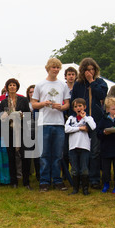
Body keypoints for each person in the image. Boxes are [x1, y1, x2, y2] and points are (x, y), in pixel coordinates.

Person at [31, 58, 70, 192]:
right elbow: (34, 103)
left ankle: (57, 180)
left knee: (58, 154)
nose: (56, 70)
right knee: (44, 154)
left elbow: (67, 104)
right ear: (48, 68)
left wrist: (62, 107)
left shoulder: (63, 85)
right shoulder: (40, 85)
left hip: (59, 123)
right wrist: (43, 103)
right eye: (53, 67)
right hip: (44, 123)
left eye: (58, 68)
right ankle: (44, 181)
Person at [70, 58, 108, 189]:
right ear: (83, 71)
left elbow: (102, 95)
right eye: (87, 70)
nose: (90, 72)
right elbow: (73, 103)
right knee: (81, 151)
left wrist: (92, 82)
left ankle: (94, 179)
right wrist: (77, 121)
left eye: (92, 69)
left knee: (95, 152)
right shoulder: (78, 84)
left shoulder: (100, 82)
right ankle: (81, 179)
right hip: (81, 124)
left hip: (95, 122)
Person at [0, 78, 32, 189]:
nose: (12, 87)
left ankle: (26, 182)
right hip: (9, 131)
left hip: (22, 130)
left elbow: (29, 116)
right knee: (11, 156)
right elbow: (0, 117)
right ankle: (13, 181)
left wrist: (22, 116)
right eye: (10, 85)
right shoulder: (3, 102)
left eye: (14, 85)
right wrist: (4, 116)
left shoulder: (23, 100)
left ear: (17, 87)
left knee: (25, 157)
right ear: (7, 87)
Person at [65, 98, 96, 195]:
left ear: (84, 107)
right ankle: (75, 189)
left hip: (84, 146)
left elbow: (93, 127)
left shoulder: (89, 118)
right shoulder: (70, 118)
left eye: (80, 106)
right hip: (73, 147)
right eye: (75, 106)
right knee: (74, 169)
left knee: (84, 169)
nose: (78, 108)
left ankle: (85, 189)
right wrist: (80, 128)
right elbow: (66, 129)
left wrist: (85, 117)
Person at [25, 84, 40, 182]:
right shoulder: (25, 103)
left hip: (38, 129)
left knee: (38, 154)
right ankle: (27, 174)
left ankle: (39, 174)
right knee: (28, 153)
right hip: (27, 130)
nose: (32, 94)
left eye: (34, 92)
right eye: (30, 92)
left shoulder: (40, 104)